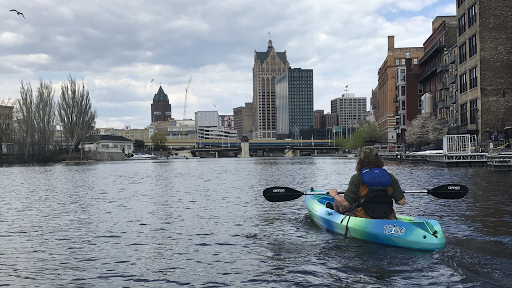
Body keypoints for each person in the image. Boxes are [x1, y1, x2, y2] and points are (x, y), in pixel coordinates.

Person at [326, 147, 406, 219]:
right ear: (378, 159)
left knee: (338, 200)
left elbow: (346, 203)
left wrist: (334, 195)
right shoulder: (390, 177)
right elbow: (401, 202)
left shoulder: (357, 178)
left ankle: (334, 214)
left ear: (360, 161)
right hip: (387, 217)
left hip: (363, 218)